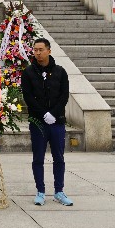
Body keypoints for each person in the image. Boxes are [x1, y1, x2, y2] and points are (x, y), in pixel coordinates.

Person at [21, 37, 73, 207]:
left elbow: (64, 96)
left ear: (49, 51)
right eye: (35, 50)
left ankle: (59, 191)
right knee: (38, 158)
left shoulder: (60, 71)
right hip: (38, 122)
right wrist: (43, 114)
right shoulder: (28, 72)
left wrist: (53, 114)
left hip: (57, 122)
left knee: (59, 157)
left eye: (41, 50)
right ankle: (40, 191)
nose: (38, 53)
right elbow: (28, 97)